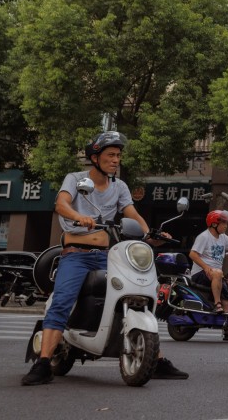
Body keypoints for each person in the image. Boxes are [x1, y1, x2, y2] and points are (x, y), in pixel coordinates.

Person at [22, 131, 188, 386]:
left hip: (107, 256)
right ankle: (44, 363)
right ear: (95, 157)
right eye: (110, 155)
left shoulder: (119, 186)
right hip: (76, 256)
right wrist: (79, 217)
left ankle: (154, 357)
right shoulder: (76, 180)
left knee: (136, 293)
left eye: (118, 155)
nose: (115, 160)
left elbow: (131, 212)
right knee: (62, 302)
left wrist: (149, 233)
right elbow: (61, 205)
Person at [189, 209, 228, 339]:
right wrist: (205, 267)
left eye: (226, 223)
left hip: (216, 275)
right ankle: (217, 305)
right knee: (218, 273)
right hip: (200, 273)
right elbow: (192, 254)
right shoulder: (204, 237)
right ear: (214, 224)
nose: (226, 226)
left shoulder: (223, 237)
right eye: (223, 223)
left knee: (226, 294)